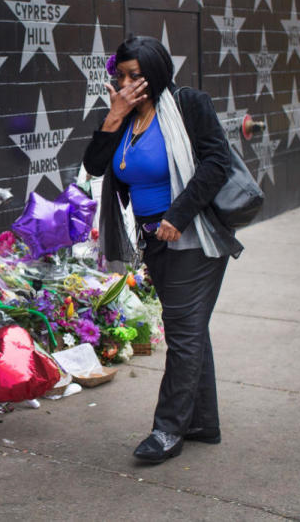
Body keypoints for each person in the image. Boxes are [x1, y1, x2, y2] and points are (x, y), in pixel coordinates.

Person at [82, 35, 242, 464]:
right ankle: (203, 421)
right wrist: (114, 115)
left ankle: (168, 429)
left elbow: (216, 163)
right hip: (154, 241)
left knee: (183, 333)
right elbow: (95, 165)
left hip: (194, 237)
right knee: (191, 330)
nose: (128, 83)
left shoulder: (189, 105)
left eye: (136, 75)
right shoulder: (126, 117)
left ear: (155, 73)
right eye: (121, 76)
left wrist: (179, 214)